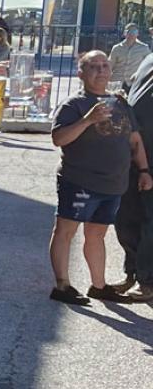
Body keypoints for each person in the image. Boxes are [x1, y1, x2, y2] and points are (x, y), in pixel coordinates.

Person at [49, 50, 150, 305]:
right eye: (93, 66)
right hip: (80, 182)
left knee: (97, 235)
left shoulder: (120, 102)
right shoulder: (74, 104)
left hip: (113, 184)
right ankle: (62, 285)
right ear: (81, 73)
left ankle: (98, 285)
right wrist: (87, 120)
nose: (101, 70)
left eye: (105, 65)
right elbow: (59, 139)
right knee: (66, 231)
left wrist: (145, 171)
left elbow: (134, 139)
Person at [111, 50, 153, 302]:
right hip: (134, 156)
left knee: (150, 220)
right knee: (126, 217)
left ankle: (147, 280)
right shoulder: (148, 58)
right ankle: (132, 271)